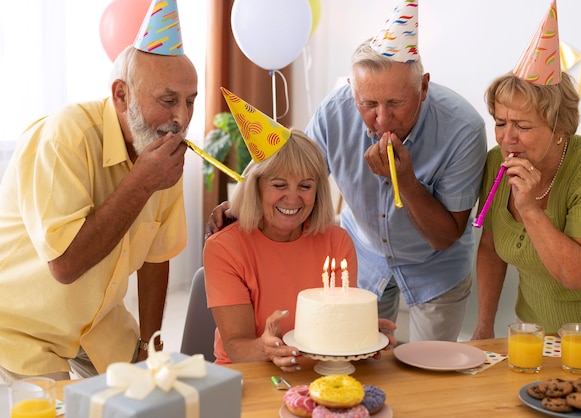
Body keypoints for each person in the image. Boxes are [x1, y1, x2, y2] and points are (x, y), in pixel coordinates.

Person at [208, 2, 487, 343]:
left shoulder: (463, 129)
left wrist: (408, 183)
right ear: (352, 91)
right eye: (368, 104)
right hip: (364, 256)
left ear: (424, 87)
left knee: (429, 372)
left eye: (396, 104)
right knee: (359, 357)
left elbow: (445, 237)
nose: (382, 120)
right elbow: (292, 168)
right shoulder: (334, 113)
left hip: (435, 267)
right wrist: (241, 203)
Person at [0, 0, 197, 383]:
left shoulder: (161, 150)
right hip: (21, 328)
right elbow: (66, 265)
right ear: (121, 95)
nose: (183, 119)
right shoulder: (66, 137)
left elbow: (157, 257)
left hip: (98, 325)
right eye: (168, 100)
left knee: (154, 396)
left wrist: (149, 348)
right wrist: (142, 181)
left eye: (190, 101)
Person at [204, 89, 396, 370]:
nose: (293, 199)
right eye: (279, 185)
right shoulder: (224, 248)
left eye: (305, 186)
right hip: (249, 374)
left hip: (321, 371)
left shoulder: (337, 242)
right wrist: (264, 347)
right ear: (255, 185)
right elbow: (236, 346)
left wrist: (358, 336)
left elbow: (335, 330)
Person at [471, 0, 581, 339]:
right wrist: (484, 324)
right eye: (500, 122)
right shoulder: (497, 160)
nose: (507, 138)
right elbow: (490, 246)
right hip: (535, 336)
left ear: (560, 127)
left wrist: (527, 207)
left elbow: (577, 276)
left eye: (523, 126)